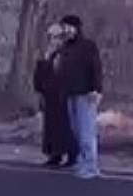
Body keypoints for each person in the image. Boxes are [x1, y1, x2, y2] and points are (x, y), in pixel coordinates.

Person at [57, 14, 103, 179]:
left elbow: (96, 68)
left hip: (86, 94)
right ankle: (82, 162)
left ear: (77, 28)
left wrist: (97, 89)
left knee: (86, 132)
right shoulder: (65, 47)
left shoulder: (88, 46)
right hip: (70, 93)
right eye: (64, 27)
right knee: (76, 131)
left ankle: (91, 166)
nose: (66, 30)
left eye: (69, 27)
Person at [33, 22, 76, 168]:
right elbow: (41, 75)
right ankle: (54, 154)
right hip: (51, 96)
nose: (53, 41)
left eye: (56, 37)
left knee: (67, 126)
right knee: (52, 127)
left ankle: (72, 155)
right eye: (51, 37)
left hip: (66, 95)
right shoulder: (50, 55)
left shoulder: (71, 53)